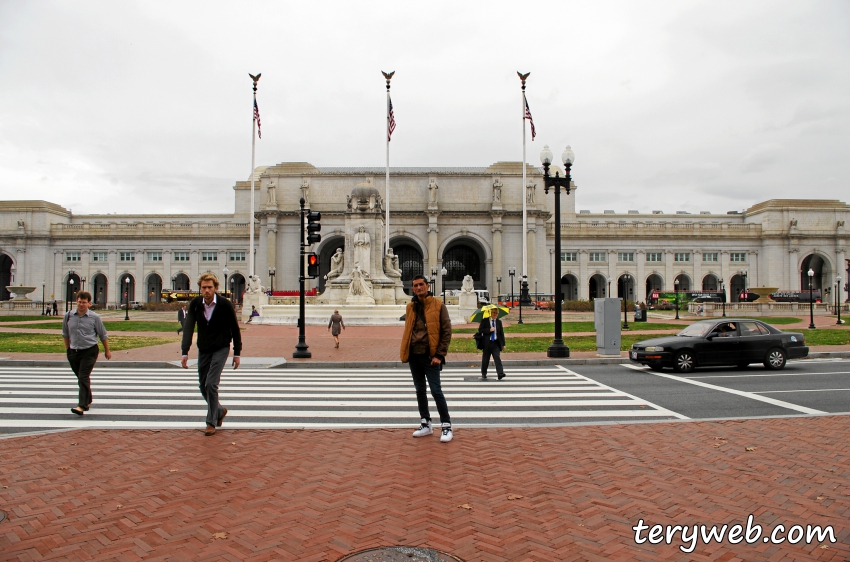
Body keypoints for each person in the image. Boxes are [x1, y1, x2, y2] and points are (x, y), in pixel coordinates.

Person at [180, 273, 242, 437]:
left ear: (215, 288)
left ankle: (211, 422)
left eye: (210, 287)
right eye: (204, 288)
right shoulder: (195, 304)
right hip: (204, 348)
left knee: (211, 383)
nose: (206, 290)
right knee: (202, 385)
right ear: (200, 289)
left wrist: (237, 352)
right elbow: (188, 328)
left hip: (221, 347)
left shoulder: (224, 304)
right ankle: (219, 410)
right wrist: (184, 352)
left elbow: (235, 328)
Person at [399, 274, 454, 443]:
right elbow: (409, 330)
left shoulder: (438, 305)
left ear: (427, 286)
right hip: (414, 355)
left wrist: (439, 355)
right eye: (415, 285)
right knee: (420, 391)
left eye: (421, 284)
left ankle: (446, 426)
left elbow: (446, 331)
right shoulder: (410, 307)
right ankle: (426, 423)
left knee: (436, 391)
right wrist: (405, 351)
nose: (418, 288)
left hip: (431, 357)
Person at [62, 291, 111, 416]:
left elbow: (102, 334)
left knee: (83, 376)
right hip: (74, 351)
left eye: (84, 302)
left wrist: (107, 350)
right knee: (81, 377)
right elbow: (65, 334)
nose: (81, 305)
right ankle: (88, 399)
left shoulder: (95, 317)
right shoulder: (68, 316)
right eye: (79, 302)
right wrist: (68, 350)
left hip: (89, 350)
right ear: (76, 302)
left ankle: (82, 406)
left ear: (89, 304)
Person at [478, 308, 506, 380]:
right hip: (487, 343)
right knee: (485, 359)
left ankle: (500, 373)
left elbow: (501, 334)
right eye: (494, 313)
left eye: (496, 313)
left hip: (495, 343)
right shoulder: (485, 321)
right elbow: (480, 330)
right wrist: (488, 330)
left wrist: (503, 344)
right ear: (491, 313)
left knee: (497, 358)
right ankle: (484, 373)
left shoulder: (499, 322)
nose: (495, 314)